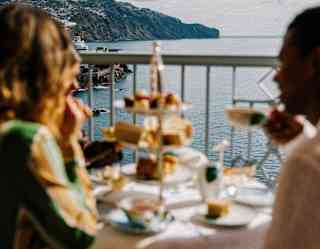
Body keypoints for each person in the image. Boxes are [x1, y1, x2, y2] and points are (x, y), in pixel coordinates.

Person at [0, 4, 100, 249]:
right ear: (46, 73)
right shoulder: (24, 139)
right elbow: (83, 235)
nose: (76, 85)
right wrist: (69, 145)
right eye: (69, 72)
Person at [263, 6, 320, 249]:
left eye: (284, 62)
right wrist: (302, 138)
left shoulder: (306, 164)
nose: (276, 77)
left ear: (316, 61)